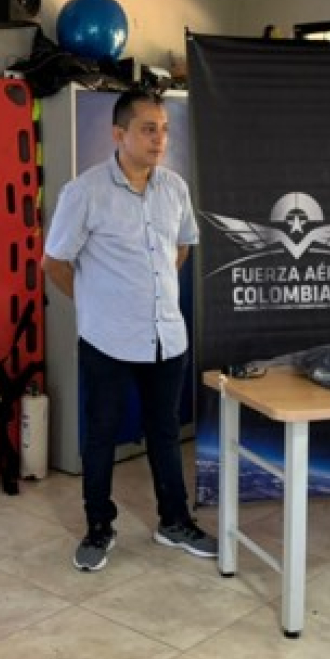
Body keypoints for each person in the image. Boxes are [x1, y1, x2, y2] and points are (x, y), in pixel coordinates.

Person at [42, 88, 217, 572]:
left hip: (167, 338)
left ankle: (174, 522)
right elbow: (54, 263)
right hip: (108, 341)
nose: (159, 139)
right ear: (119, 134)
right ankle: (98, 527)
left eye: (163, 129)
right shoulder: (86, 192)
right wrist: (99, 303)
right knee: (100, 437)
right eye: (147, 129)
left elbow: (180, 250)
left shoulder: (175, 189)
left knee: (164, 432)